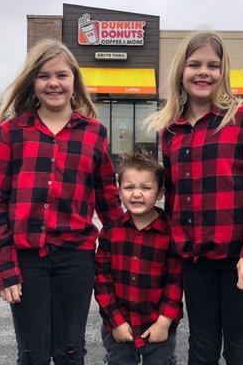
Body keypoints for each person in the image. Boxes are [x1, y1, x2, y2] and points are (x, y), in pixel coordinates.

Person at [0, 38, 123, 365]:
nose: (54, 83)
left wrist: (130, 245)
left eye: (62, 75)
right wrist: (3, 267)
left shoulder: (94, 133)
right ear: (33, 81)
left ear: (75, 80)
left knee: (71, 350)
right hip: (25, 260)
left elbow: (109, 203)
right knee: (32, 353)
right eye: (44, 76)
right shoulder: (11, 132)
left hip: (76, 259)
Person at [146, 31, 243, 365]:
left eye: (213, 65)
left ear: (224, 72)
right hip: (195, 263)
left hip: (242, 260)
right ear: (181, 70)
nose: (203, 72)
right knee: (201, 350)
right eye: (194, 64)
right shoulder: (171, 130)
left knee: (240, 353)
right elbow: (174, 198)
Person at [94, 151, 183, 365]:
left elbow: (175, 282)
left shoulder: (170, 234)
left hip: (158, 327)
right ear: (119, 191)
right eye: (129, 187)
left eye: (146, 187)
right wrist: (115, 322)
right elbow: (102, 281)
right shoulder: (110, 232)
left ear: (160, 192)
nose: (136, 194)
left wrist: (164, 322)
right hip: (119, 327)